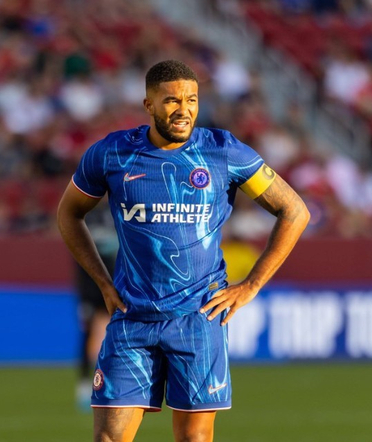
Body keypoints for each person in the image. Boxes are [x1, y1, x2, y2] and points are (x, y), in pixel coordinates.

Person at [57, 60, 310, 442]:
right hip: (132, 317)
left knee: (193, 439)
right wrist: (103, 283)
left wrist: (252, 285)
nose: (184, 109)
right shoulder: (112, 154)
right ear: (149, 105)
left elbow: (294, 211)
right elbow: (68, 214)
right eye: (172, 100)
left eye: (191, 99)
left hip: (198, 319)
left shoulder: (223, 151)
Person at [74, 200, 118, 411]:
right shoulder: (85, 214)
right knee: (88, 334)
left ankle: (111, 382)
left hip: (115, 284)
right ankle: (85, 384)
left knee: (115, 334)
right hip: (90, 288)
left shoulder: (117, 211)